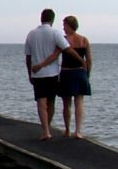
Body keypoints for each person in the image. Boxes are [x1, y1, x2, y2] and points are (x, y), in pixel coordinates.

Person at [24, 8, 68, 140]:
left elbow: (28, 57)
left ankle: (46, 131)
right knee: (51, 101)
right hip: (53, 73)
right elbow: (66, 48)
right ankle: (47, 127)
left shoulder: (31, 34)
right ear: (52, 20)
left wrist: (29, 73)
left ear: (41, 18)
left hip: (37, 74)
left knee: (41, 102)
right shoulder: (55, 32)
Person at [58, 14, 92, 138]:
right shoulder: (84, 40)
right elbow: (89, 59)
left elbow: (56, 56)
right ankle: (78, 131)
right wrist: (88, 73)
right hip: (80, 72)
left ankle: (68, 129)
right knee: (79, 102)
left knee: (67, 104)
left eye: (64, 25)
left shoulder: (64, 40)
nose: (63, 28)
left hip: (67, 72)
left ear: (69, 26)